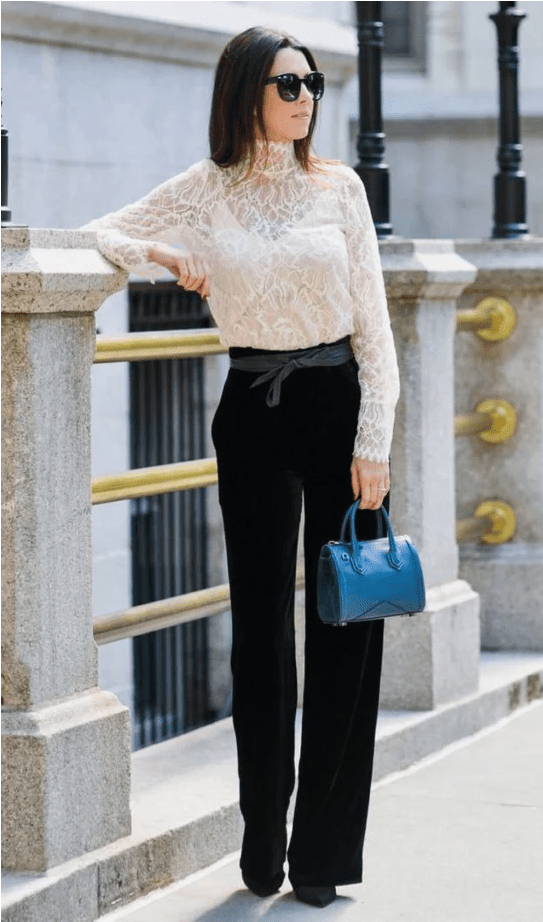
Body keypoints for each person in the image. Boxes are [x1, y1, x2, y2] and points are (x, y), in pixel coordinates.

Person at [83, 26, 400, 909]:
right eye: (288, 85)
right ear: (245, 94)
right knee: (261, 638)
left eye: (313, 85)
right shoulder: (204, 188)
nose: (305, 101)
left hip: (338, 410)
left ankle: (322, 856)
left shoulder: (340, 187)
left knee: (346, 629)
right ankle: (262, 838)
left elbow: (374, 328)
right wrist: (161, 252)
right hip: (251, 412)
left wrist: (372, 439)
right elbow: (94, 234)